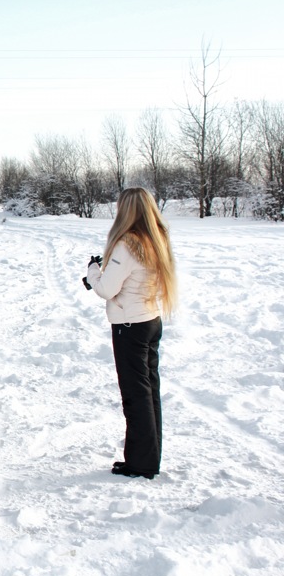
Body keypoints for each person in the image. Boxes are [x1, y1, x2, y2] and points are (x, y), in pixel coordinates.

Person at [86, 187, 177, 480]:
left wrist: (92, 271)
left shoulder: (128, 245)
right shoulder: (157, 240)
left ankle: (141, 464)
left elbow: (105, 289)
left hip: (130, 328)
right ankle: (148, 458)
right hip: (151, 321)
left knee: (136, 396)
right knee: (149, 394)